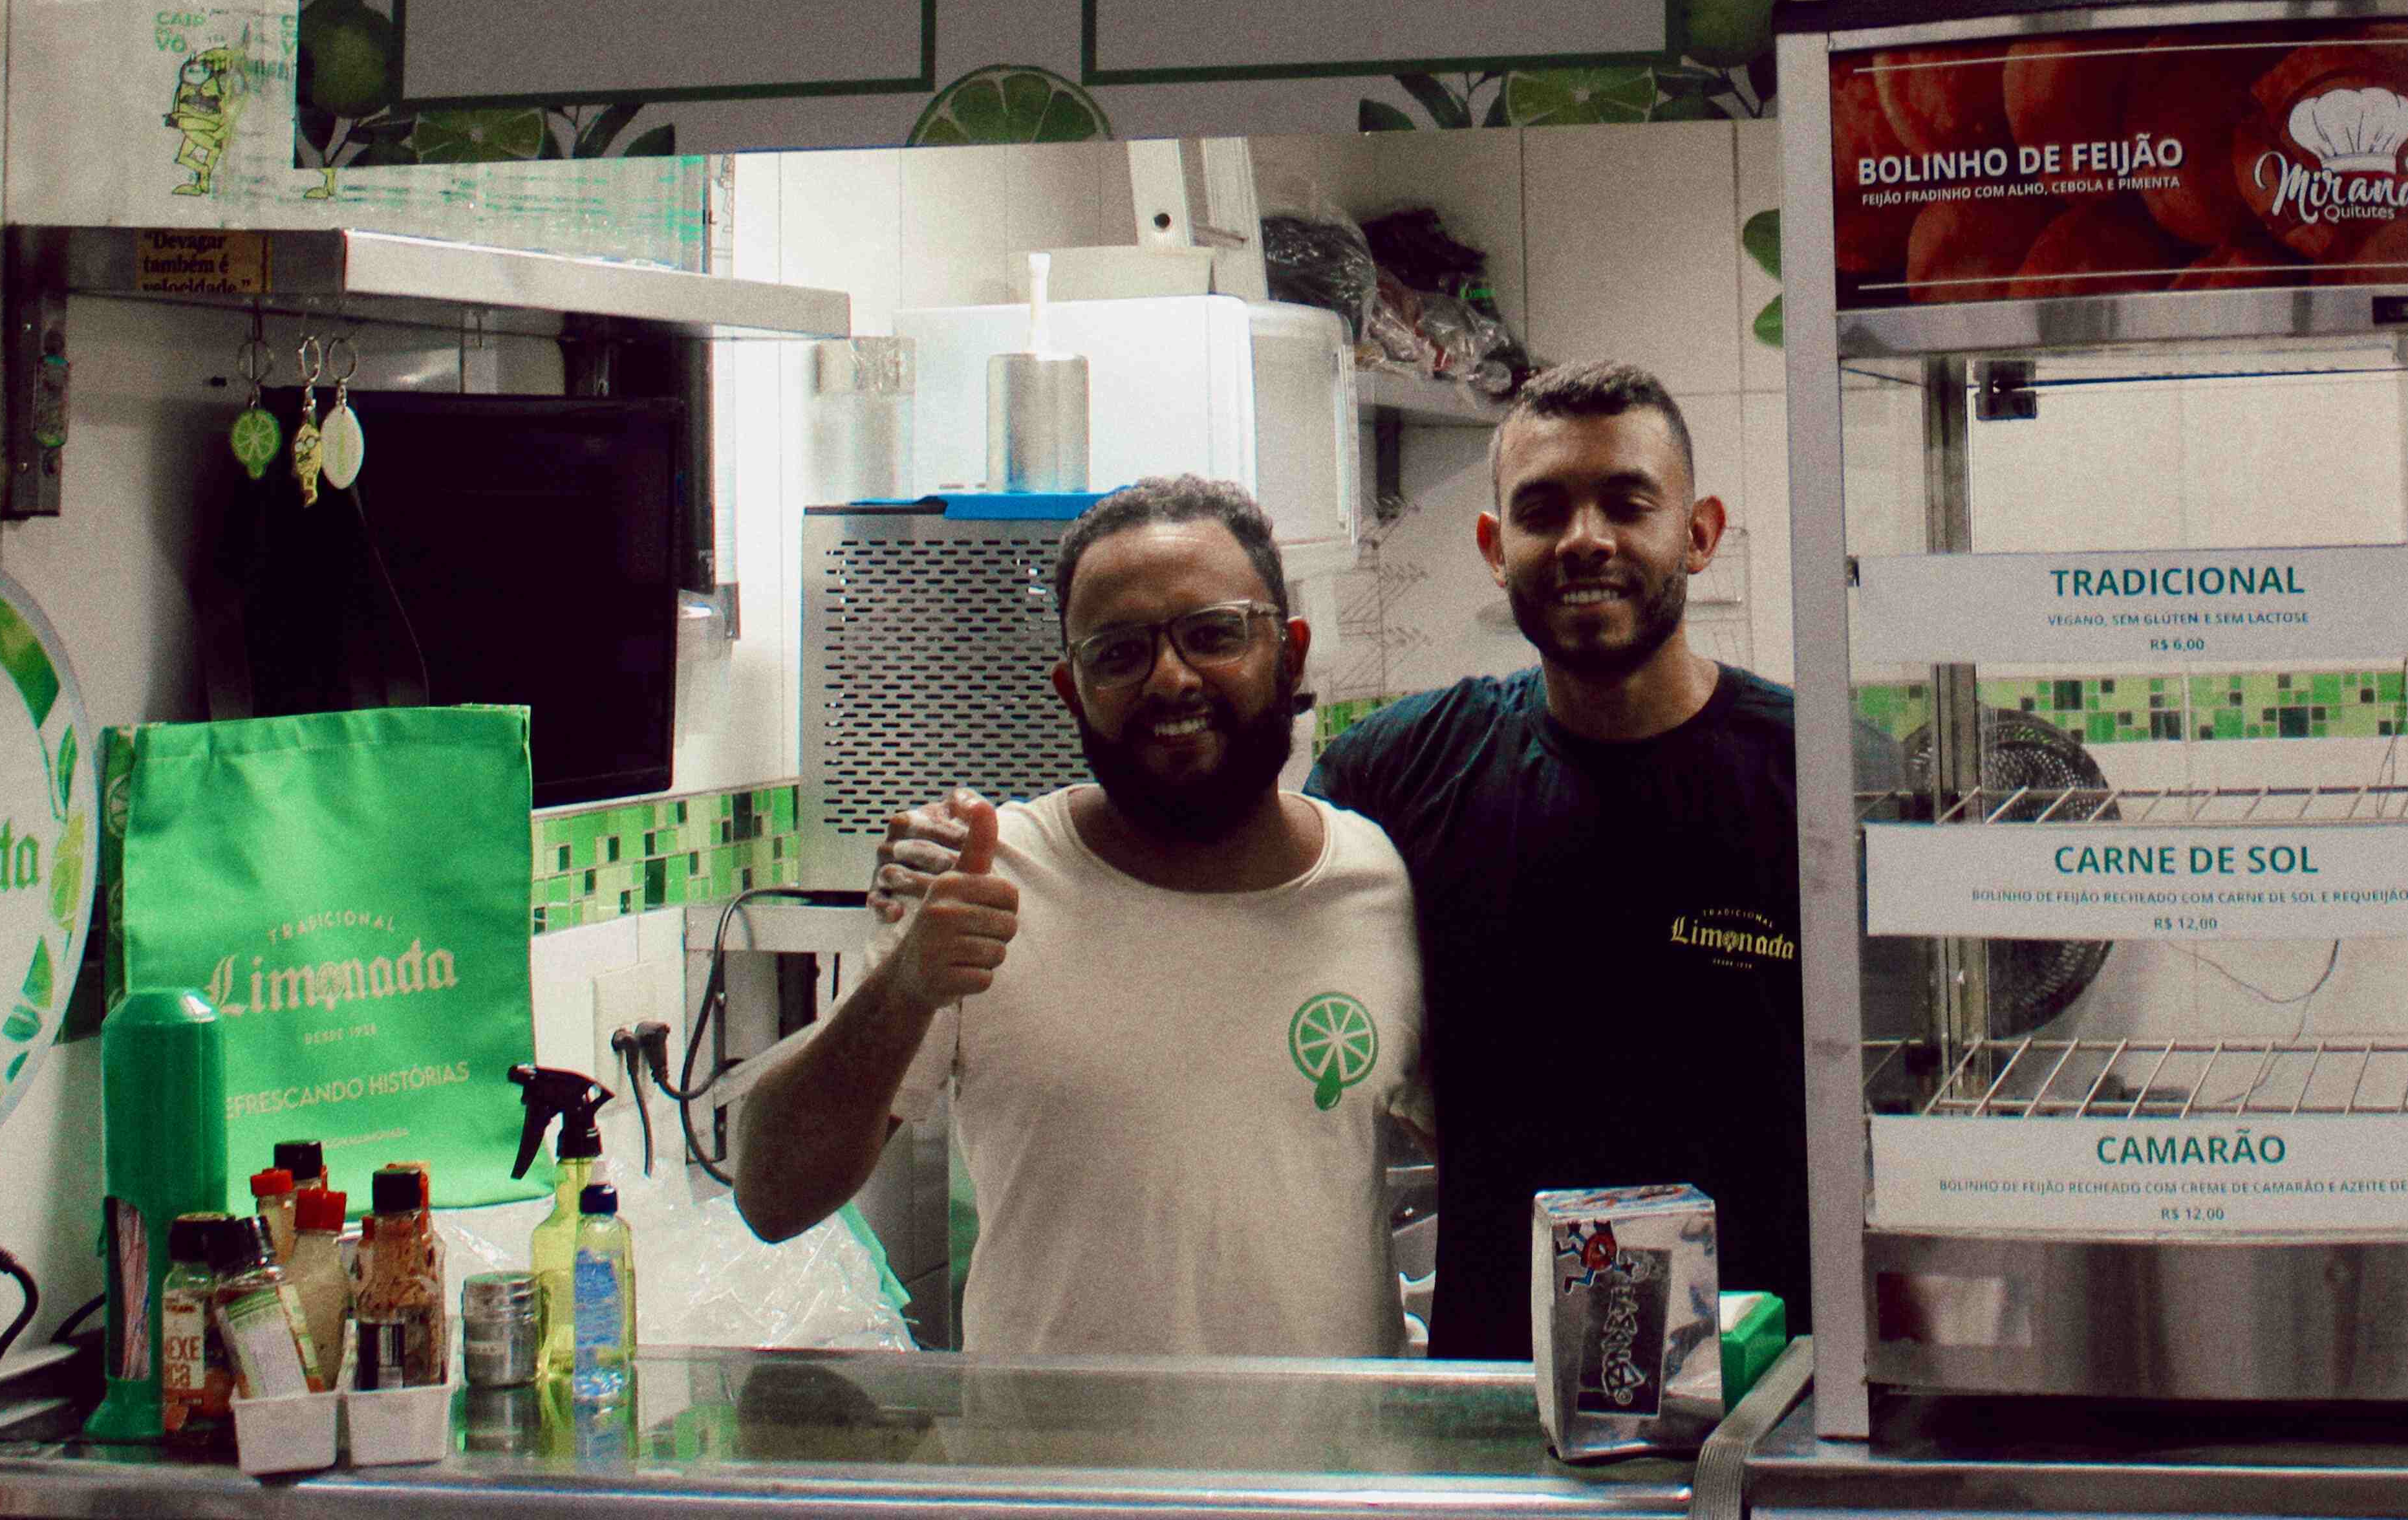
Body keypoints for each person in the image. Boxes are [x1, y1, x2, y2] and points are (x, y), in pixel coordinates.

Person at [735, 475, 1422, 1358]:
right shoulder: (985, 877)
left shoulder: (1377, 883)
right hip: (1052, 1483)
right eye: (1119, 653)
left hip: (1326, 1487)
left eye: (1213, 634)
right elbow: (770, 1195)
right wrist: (903, 987)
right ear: (1071, 688)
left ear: (1290, 651)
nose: (1171, 678)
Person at [1308, 358, 1807, 1360]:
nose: (1585, 539)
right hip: (1503, 1401)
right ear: (1497, 549)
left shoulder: (1816, 779)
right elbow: (1242, 895)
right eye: (1543, 511)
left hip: (1767, 1392)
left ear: (1699, 534)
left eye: (1627, 502)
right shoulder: (1397, 776)